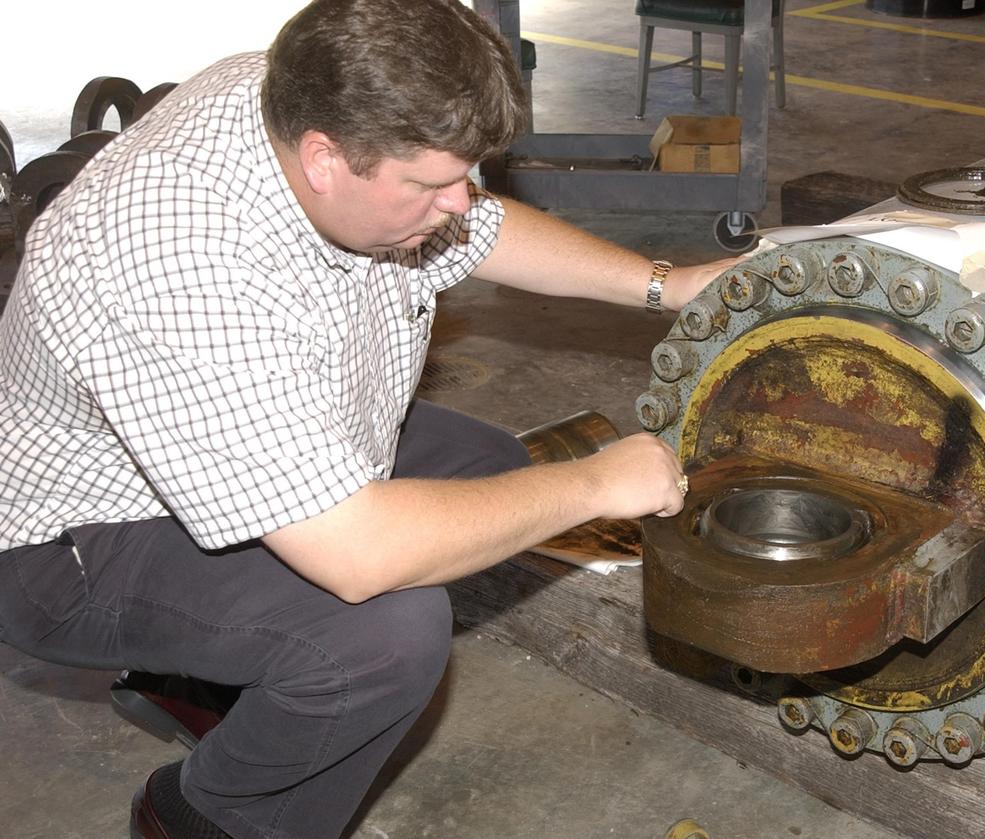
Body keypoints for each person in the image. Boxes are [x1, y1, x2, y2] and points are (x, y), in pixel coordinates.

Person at [0, 1, 735, 836]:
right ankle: (205, 814)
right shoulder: (184, 263)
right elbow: (361, 554)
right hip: (81, 534)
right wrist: (598, 481)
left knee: (497, 478)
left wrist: (663, 284)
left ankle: (208, 679)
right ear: (323, 160)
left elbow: (479, 227)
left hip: (239, 415)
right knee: (381, 632)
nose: (463, 202)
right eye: (430, 185)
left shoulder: (303, 93)